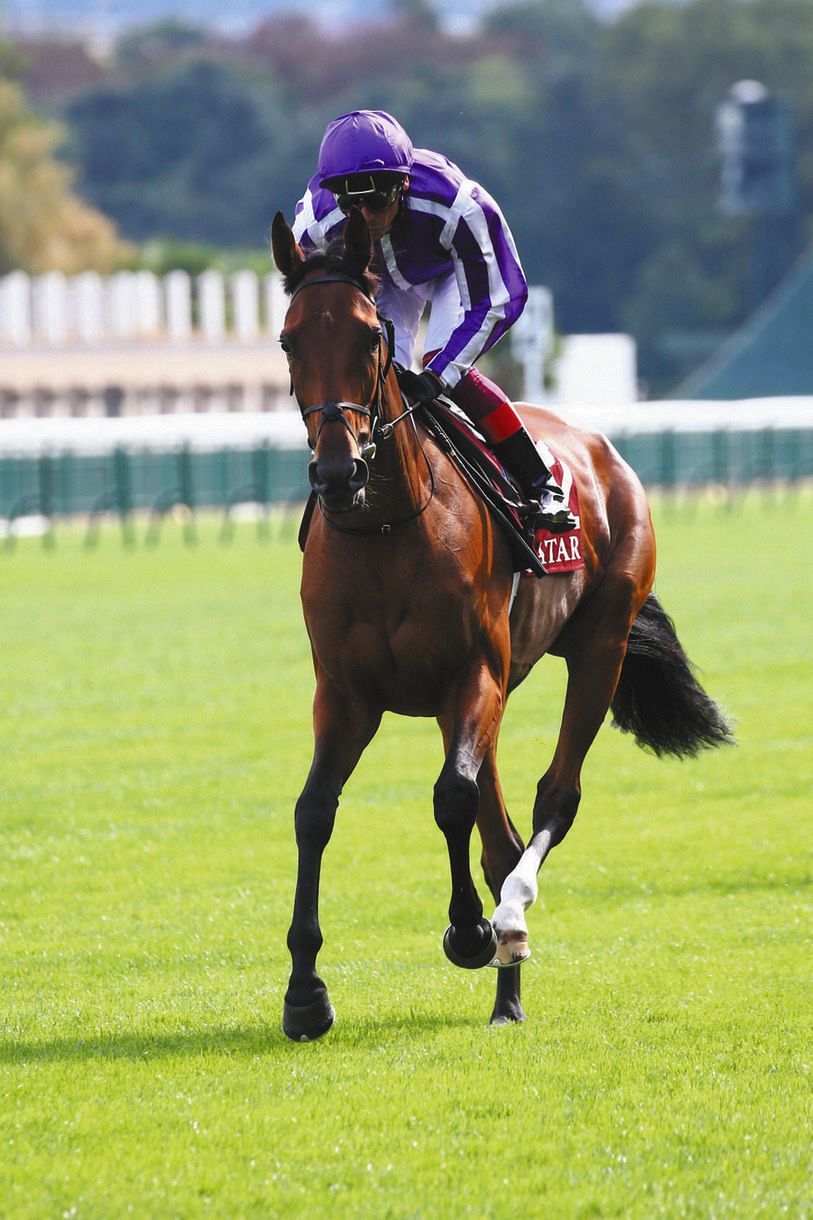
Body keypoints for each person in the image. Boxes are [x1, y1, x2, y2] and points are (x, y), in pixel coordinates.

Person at [292, 109, 577, 533]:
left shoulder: (459, 206)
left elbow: (496, 300)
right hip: (375, 278)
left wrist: (440, 376)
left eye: (376, 201)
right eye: (352, 204)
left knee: (441, 365)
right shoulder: (315, 226)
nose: (364, 217)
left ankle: (537, 480)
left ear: (403, 185)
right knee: (383, 374)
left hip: (451, 273)